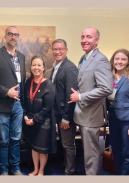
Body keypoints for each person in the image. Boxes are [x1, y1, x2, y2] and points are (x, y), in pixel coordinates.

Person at [69, 27, 113, 175]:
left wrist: (80, 97)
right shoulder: (84, 58)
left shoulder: (101, 60)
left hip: (91, 115)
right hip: (82, 113)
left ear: (97, 40)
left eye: (89, 37)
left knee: (91, 153)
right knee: (87, 151)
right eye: (82, 37)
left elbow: (106, 89)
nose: (84, 40)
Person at [0, 26, 26, 176]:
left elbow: (22, 82)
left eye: (16, 34)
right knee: (3, 140)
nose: (13, 37)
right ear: (5, 36)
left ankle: (15, 168)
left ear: (18, 37)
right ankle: (3, 170)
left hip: (18, 105)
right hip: (1, 105)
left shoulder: (21, 56)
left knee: (16, 139)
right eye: (10, 34)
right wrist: (6, 91)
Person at [106, 49, 129, 175]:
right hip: (113, 118)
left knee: (127, 153)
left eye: (123, 59)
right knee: (116, 151)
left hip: (127, 120)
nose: (119, 62)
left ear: (128, 62)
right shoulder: (109, 76)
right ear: (113, 60)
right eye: (117, 59)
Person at [23, 56, 57, 176]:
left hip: (43, 121)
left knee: (42, 149)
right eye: (34, 65)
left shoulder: (48, 84)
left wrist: (35, 120)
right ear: (30, 67)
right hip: (30, 120)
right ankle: (35, 169)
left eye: (39, 65)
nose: (36, 68)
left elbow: (47, 107)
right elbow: (25, 102)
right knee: (34, 147)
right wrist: (26, 116)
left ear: (43, 68)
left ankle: (41, 171)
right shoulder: (28, 82)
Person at [49, 39, 78, 175]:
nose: (58, 51)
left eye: (61, 49)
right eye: (55, 49)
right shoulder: (56, 66)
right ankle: (65, 165)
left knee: (68, 144)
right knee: (63, 142)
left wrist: (66, 118)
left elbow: (70, 96)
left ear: (66, 50)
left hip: (66, 114)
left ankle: (70, 171)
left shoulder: (70, 67)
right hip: (58, 112)